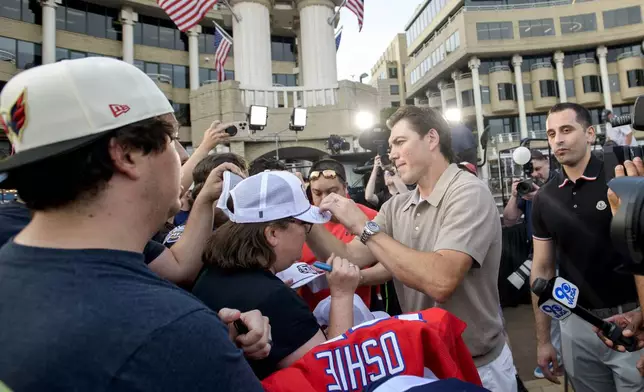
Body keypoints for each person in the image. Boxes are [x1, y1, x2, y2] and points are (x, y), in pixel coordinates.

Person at [0, 57, 270, 391]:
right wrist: (194, 347)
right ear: (128, 155)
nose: (182, 156)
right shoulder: (171, 332)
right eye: (171, 137)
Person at [304, 106, 516, 391]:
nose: (391, 154)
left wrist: (362, 226)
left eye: (400, 142)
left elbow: (440, 281)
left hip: (478, 366)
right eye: (390, 145)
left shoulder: (468, 192)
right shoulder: (397, 205)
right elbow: (351, 255)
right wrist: (304, 221)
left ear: (431, 139)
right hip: (425, 364)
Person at [192, 170, 360, 379]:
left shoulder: (212, 270)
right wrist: (342, 295)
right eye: (304, 224)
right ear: (272, 234)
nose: (306, 233)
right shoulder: (274, 298)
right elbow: (335, 372)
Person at [530, 103, 643, 391]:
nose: (558, 139)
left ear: (590, 133)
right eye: (551, 133)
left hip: (632, 321)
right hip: (575, 324)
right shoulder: (544, 198)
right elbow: (542, 270)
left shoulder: (621, 179)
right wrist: (544, 341)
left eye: (566, 130)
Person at [300, 158, 378, 310]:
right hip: (309, 313)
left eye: (332, 192)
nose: (324, 200)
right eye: (317, 193)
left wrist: (359, 278)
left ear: (345, 187)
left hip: (357, 312)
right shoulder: (301, 219)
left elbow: (389, 266)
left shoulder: (369, 217)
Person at [163, 152, 248, 249]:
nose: (236, 197)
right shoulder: (183, 236)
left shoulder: (246, 232)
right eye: (230, 187)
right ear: (201, 191)